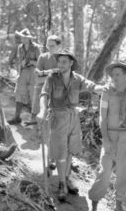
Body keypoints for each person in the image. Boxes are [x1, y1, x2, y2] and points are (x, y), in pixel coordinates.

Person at [36, 49, 104, 201]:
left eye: (64, 62)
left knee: (70, 151)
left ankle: (66, 178)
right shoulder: (52, 78)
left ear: (71, 63)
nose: (61, 65)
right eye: (59, 62)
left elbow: (89, 84)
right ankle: (61, 184)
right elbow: (44, 95)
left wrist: (98, 89)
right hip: (58, 117)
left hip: (73, 118)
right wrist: (42, 111)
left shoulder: (77, 78)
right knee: (61, 153)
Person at [85, 62, 126, 211]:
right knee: (104, 172)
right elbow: (102, 118)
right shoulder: (107, 92)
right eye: (113, 74)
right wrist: (106, 140)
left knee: (125, 173)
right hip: (111, 136)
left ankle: (119, 205)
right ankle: (93, 205)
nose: (114, 77)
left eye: (118, 74)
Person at [25, 35, 62, 126]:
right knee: (38, 87)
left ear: (59, 46)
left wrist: (44, 73)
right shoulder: (43, 57)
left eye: (52, 46)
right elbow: (37, 73)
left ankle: (55, 119)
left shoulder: (64, 58)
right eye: (48, 46)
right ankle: (34, 117)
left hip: (58, 85)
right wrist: (49, 72)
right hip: (43, 84)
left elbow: (62, 74)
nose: (50, 48)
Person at [8, 28, 41, 125]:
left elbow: (40, 62)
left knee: (33, 94)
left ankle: (35, 118)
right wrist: (20, 67)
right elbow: (20, 60)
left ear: (30, 38)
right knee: (19, 94)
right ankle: (17, 117)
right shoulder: (20, 48)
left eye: (26, 37)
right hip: (23, 72)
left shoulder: (36, 48)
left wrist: (31, 62)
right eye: (23, 37)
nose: (24, 39)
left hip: (33, 72)